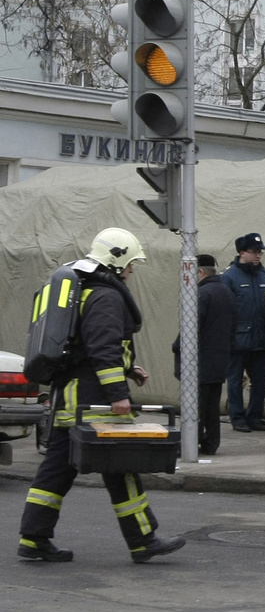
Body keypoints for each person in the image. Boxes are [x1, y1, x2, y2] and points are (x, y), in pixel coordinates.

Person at [18, 228, 186, 563]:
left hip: (71, 398)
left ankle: (34, 538)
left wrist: (129, 368)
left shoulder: (83, 289)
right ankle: (143, 540)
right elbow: (103, 349)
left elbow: (87, 347)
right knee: (121, 465)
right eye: (130, 264)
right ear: (117, 258)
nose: (132, 271)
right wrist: (118, 394)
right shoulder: (106, 297)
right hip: (94, 402)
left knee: (56, 471)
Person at [172, 254, 236, 455]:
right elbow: (234, 327)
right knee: (211, 407)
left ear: (199, 272)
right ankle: (211, 443)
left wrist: (177, 347)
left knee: (195, 405)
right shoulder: (227, 292)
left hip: (197, 360)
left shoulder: (199, 294)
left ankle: (190, 443)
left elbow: (191, 328)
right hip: (219, 359)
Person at [220, 232, 265, 432]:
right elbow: (224, 310)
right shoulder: (229, 277)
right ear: (242, 252)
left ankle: (254, 416)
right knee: (234, 381)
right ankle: (237, 417)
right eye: (253, 252)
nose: (258, 256)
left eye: (260, 252)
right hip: (237, 340)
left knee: (261, 381)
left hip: (261, 339)